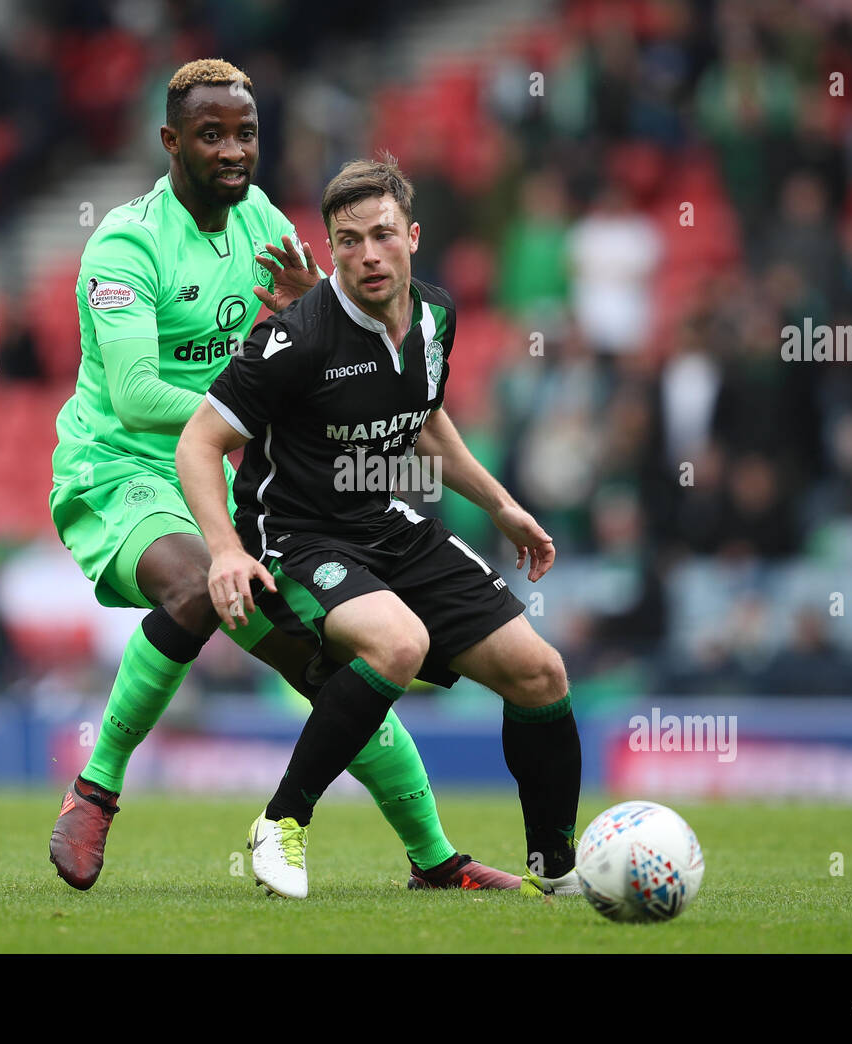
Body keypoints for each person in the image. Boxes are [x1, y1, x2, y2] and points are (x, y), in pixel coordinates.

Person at [47, 60, 518, 892]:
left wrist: (317, 307)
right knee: (198, 585)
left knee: (335, 669)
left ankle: (435, 859)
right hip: (118, 470)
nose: (235, 151)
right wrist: (267, 399)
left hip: (222, 476)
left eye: (247, 134)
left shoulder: (261, 218)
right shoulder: (125, 244)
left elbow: (313, 322)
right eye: (212, 135)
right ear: (170, 141)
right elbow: (134, 392)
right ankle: (96, 788)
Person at [178, 156, 582, 899]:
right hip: (294, 535)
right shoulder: (295, 339)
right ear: (330, 248)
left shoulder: (436, 316)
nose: (367, 255)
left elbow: (423, 418)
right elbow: (199, 440)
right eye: (349, 241)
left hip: (383, 522)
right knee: (399, 643)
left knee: (541, 673)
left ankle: (556, 872)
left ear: (414, 236)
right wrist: (226, 552)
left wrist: (500, 504)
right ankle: (282, 819)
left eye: (382, 236)